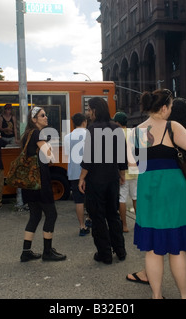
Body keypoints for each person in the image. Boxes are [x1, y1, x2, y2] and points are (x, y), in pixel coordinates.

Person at [126, 97, 186, 289]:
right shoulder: (172, 126)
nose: (170, 110)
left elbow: (133, 165)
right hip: (172, 185)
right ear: (163, 108)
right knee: (177, 249)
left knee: (152, 249)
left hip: (147, 185)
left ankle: (156, 295)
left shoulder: (136, 131)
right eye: (169, 107)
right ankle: (185, 296)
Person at [79, 97, 127, 264]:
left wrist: (82, 178)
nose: (87, 113)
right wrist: (122, 174)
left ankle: (104, 253)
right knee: (113, 215)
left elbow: (88, 157)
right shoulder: (116, 128)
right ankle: (120, 250)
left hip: (96, 178)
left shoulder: (92, 129)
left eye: (89, 109)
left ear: (95, 110)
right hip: (112, 177)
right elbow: (122, 154)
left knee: (98, 216)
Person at [20, 106, 66, 262]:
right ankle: (47, 251)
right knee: (51, 214)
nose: (46, 117)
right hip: (40, 182)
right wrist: (50, 148)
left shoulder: (26, 134)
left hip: (29, 184)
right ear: (34, 120)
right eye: (42, 115)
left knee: (35, 216)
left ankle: (26, 251)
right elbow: (50, 157)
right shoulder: (38, 134)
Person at [63, 113, 91, 236]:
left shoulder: (67, 137)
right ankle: (90, 219)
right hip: (89, 172)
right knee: (90, 198)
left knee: (79, 201)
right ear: (85, 121)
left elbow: (67, 153)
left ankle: (82, 226)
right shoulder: (90, 134)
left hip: (74, 172)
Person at [113, 112, 137, 233]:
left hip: (122, 170)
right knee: (135, 196)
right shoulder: (133, 133)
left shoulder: (116, 134)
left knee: (122, 198)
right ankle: (139, 223)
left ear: (117, 122)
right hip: (135, 169)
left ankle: (124, 225)